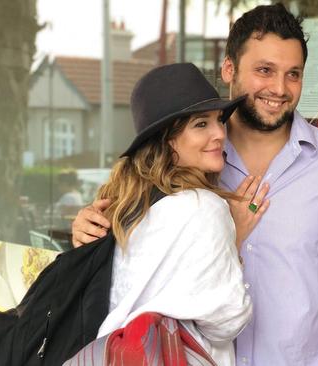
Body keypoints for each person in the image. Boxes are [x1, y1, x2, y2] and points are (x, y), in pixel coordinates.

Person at [72, 4, 318, 365]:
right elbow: (131, 263)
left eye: (293, 74)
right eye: (265, 70)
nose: (280, 89)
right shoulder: (189, 163)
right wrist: (89, 230)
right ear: (228, 69)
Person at [90, 63, 268, 365]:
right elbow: (228, 320)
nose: (219, 134)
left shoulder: (122, 205)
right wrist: (233, 242)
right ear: (167, 139)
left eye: (219, 120)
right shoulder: (205, 208)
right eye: (201, 124)